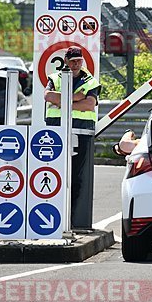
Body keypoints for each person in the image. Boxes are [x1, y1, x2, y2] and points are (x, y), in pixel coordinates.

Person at [43, 46, 101, 229]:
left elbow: (89, 105)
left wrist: (63, 102)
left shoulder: (91, 81)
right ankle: (55, 218)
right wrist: (75, 97)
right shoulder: (55, 78)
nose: (76, 64)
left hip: (82, 132)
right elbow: (48, 96)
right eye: (73, 60)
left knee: (77, 177)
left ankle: (75, 221)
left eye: (79, 60)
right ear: (66, 61)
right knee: (56, 175)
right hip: (56, 132)